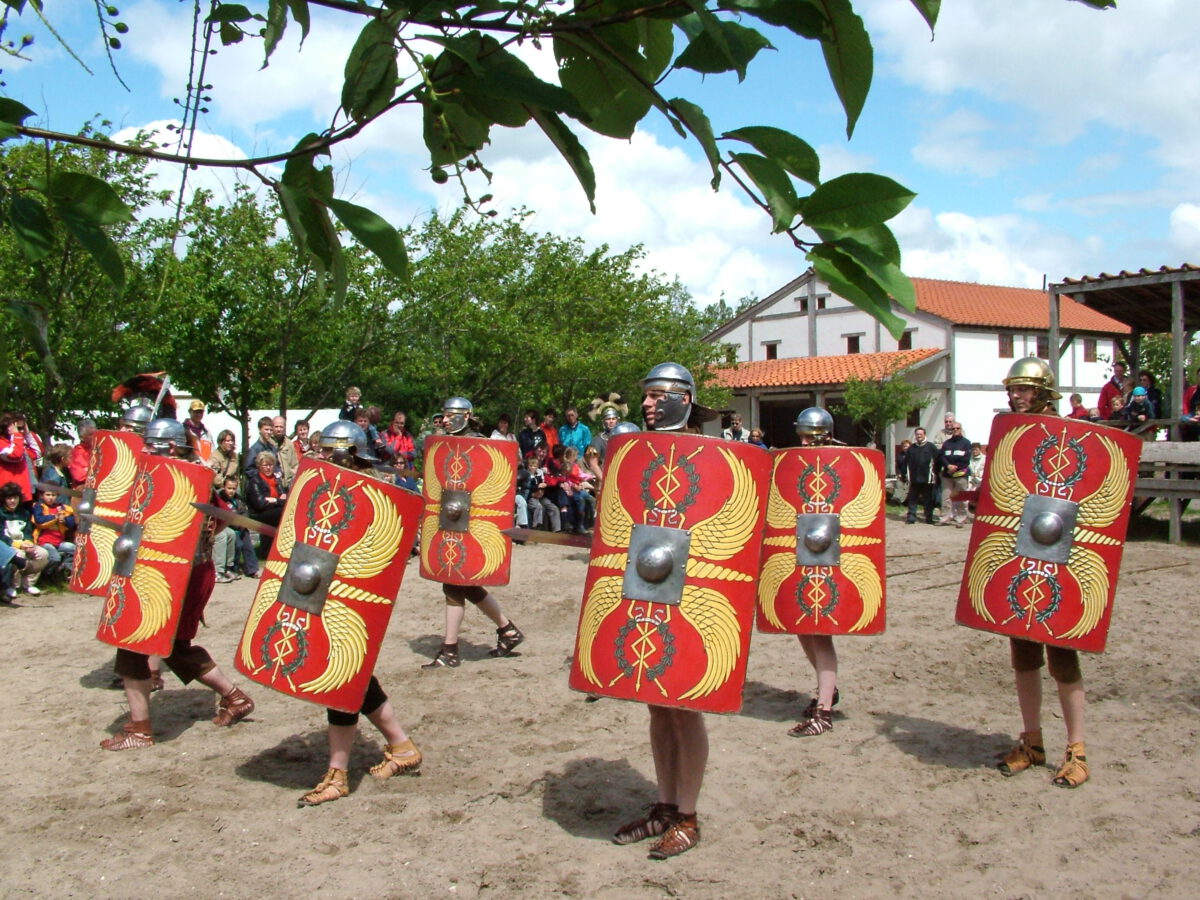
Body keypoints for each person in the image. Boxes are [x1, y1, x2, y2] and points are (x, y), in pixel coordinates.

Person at [610, 362, 722, 859]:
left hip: (691, 592)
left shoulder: (713, 456)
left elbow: (720, 529)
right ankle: (664, 805)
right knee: (657, 703)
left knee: (684, 705)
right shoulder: (637, 453)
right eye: (646, 396)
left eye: (658, 396)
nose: (648, 404)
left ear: (683, 398)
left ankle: (688, 816)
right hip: (647, 588)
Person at [100, 418, 254, 751]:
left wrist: (195, 538)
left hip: (181, 575)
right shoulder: (159, 473)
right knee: (174, 646)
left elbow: (225, 517)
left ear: (171, 446)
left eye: (152, 443)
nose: (145, 448)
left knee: (133, 641)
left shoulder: (190, 476)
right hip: (171, 573)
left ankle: (140, 730)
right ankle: (234, 697)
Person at [299, 420, 422, 805]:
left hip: (352, 598)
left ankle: (337, 774)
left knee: (341, 679)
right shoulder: (325, 488)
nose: (319, 457)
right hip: (324, 593)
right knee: (356, 678)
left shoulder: (375, 495)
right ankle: (402, 747)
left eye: (326, 451)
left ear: (344, 453)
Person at [995, 358, 1089, 788]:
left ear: (1045, 392)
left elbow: (1082, 501)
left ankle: (1078, 749)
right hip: (1022, 556)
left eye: (1026, 390)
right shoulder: (1014, 436)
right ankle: (1032, 741)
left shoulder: (1072, 438)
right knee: (1024, 656)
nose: (1018, 396)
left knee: (1063, 658)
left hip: (1059, 559)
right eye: (1015, 389)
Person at [422, 396, 524, 669]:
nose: (444, 419)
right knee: (459, 583)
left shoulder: (481, 443)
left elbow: (498, 480)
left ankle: (451, 649)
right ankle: (507, 630)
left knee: (454, 584)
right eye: (443, 414)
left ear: (466, 416)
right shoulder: (445, 445)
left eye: (450, 415)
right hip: (452, 523)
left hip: (473, 525)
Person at [786, 408, 842, 737]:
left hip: (828, 558)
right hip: (802, 555)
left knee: (820, 631)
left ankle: (824, 711)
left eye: (809, 436)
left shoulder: (838, 461)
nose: (803, 442)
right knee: (803, 628)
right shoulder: (798, 463)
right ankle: (828, 690)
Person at [0, 482, 49, 597]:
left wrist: (29, 543)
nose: (12, 501)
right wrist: (18, 545)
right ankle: (14, 586)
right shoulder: (1, 513)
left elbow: (28, 531)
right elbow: (1, 536)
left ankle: (28, 583)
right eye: (9, 498)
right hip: (10, 544)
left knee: (43, 554)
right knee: (18, 555)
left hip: (24, 543)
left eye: (15, 498)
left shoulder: (24, 512)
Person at [32, 486, 76, 580]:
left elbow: (72, 523)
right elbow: (39, 520)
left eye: (53, 495)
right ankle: (47, 577)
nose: (50, 497)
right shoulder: (39, 506)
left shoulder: (62, 507)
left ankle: (64, 571)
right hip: (44, 542)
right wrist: (55, 517)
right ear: (42, 495)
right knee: (55, 558)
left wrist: (64, 520)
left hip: (59, 542)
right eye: (47, 494)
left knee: (74, 549)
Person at [936, 421, 972, 527]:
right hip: (947, 474)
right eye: (953, 429)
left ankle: (961, 519)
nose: (955, 430)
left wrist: (955, 468)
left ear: (961, 429)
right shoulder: (947, 443)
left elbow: (966, 459)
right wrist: (948, 466)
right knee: (946, 497)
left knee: (960, 497)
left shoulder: (966, 443)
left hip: (961, 474)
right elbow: (942, 457)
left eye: (957, 428)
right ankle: (944, 518)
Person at [904, 427, 937, 524]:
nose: (919, 436)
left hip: (927, 479)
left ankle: (929, 518)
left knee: (928, 500)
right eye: (917, 434)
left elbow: (937, 460)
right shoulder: (911, 448)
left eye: (920, 434)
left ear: (924, 434)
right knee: (912, 499)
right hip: (914, 478)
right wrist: (904, 474)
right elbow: (906, 462)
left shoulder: (931, 447)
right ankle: (911, 517)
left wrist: (936, 474)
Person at [0, 412, 34, 502]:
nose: (20, 431)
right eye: (18, 428)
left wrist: (27, 434)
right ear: (8, 427)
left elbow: (36, 453)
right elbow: (15, 455)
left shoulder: (18, 441)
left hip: (23, 494)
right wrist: (17, 435)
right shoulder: (2, 443)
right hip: (8, 496)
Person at [67, 417, 97, 487]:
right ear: (82, 437)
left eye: (96, 433)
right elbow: (79, 476)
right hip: (82, 492)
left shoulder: (99, 449)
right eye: (91, 434)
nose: (95, 436)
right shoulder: (76, 453)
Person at [271, 415, 301, 482]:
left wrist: (291, 473)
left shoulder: (289, 443)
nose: (279, 429)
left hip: (288, 483)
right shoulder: (268, 443)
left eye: (281, 427)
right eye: (276, 427)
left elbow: (295, 464)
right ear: (272, 427)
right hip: (273, 483)